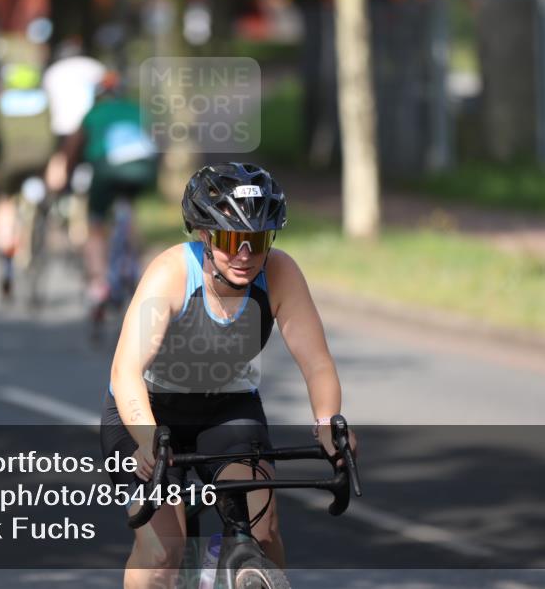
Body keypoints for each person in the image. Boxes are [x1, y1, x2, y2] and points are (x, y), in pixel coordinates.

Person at [99, 162, 356, 588]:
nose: (245, 255)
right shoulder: (172, 273)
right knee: (163, 552)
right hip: (148, 411)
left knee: (261, 533)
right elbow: (126, 370)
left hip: (226, 407)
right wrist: (147, 439)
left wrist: (328, 419)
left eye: (256, 242)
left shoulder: (279, 273)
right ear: (204, 234)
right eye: (231, 240)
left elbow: (317, 362)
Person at [45, 71, 158, 321]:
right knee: (129, 208)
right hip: (143, 168)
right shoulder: (136, 110)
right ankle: (134, 264)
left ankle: (98, 284)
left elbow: (73, 149)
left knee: (96, 224)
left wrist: (66, 178)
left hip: (107, 168)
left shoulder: (94, 114)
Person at [0, 61, 55, 298]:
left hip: (11, 163)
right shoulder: (43, 102)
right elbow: (52, 133)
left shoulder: (0, 101)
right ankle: (40, 229)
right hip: (41, 160)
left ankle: (7, 255)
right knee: (44, 198)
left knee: (5, 202)